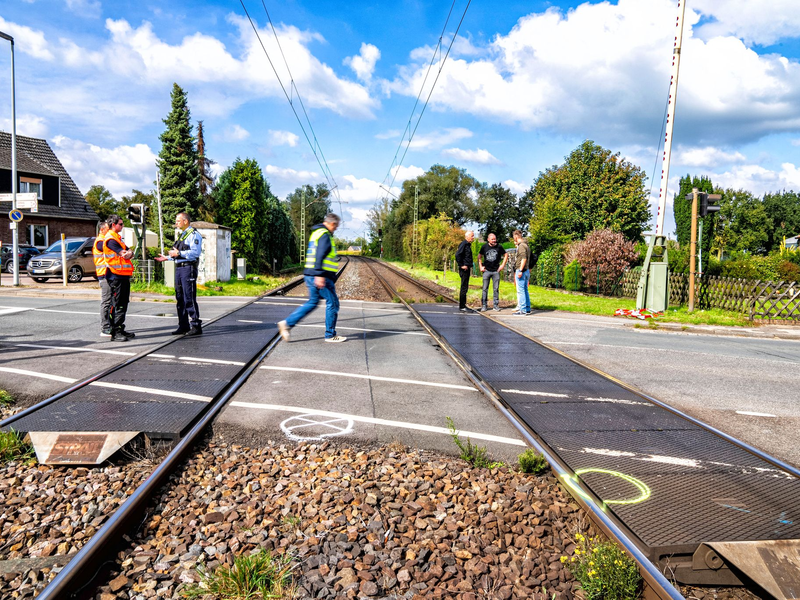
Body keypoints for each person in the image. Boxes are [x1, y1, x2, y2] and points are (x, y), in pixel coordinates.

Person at [278, 214, 346, 343]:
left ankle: (287, 324)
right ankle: (330, 335)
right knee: (333, 303)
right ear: (332, 224)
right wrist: (319, 275)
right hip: (322, 276)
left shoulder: (316, 233)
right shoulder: (325, 235)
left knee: (313, 302)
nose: (336, 229)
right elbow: (320, 254)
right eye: (336, 226)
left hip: (310, 274)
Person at [155, 212, 203, 336]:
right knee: (180, 297)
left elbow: (195, 253)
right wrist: (167, 257)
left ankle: (196, 325)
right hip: (180, 268)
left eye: (178, 221)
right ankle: (183, 325)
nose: (176, 223)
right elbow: (178, 253)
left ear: (185, 221)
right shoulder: (182, 235)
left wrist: (179, 254)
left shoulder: (194, 235)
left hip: (188, 269)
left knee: (189, 297)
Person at [103, 214, 135, 341]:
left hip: (122, 275)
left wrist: (129, 253)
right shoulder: (111, 239)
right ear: (113, 225)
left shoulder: (118, 238)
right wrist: (127, 253)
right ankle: (116, 331)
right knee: (118, 304)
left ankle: (120, 328)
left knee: (123, 303)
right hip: (115, 275)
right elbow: (124, 253)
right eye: (120, 224)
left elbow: (129, 252)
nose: (122, 226)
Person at [478, 233, 507, 312]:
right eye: (492, 239)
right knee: (484, 289)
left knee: (496, 289)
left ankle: (495, 305)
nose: (494, 241)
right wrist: (480, 266)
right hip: (486, 270)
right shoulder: (484, 247)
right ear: (488, 240)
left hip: (496, 271)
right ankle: (484, 305)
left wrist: (502, 265)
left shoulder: (499, 247)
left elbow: (506, 255)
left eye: (495, 239)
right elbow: (479, 256)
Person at [92, 221, 112, 337]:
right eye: (107, 229)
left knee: (109, 301)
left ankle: (109, 325)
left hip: (108, 274)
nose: (109, 231)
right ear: (102, 230)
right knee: (106, 301)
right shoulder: (100, 242)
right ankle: (104, 328)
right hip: (104, 274)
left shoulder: (104, 240)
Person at [511, 229, 531, 315]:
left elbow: (524, 258)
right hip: (526, 271)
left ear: (516, 236)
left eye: (513, 237)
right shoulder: (526, 245)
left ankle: (522, 310)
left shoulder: (522, 246)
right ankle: (527, 308)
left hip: (521, 270)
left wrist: (520, 271)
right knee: (525, 290)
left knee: (521, 291)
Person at [455, 230, 475, 312]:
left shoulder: (468, 245)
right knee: (463, 287)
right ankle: (462, 306)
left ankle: (463, 304)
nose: (473, 238)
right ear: (467, 236)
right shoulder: (464, 244)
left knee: (465, 287)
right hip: (464, 269)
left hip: (467, 268)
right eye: (472, 236)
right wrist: (461, 265)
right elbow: (457, 254)